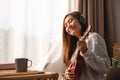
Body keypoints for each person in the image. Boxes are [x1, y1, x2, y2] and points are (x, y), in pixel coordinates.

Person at [62, 11, 111, 80]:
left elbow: (105, 68)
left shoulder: (94, 37)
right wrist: (68, 75)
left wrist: (86, 51)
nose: (68, 26)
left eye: (70, 21)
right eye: (66, 26)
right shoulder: (76, 46)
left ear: (81, 20)